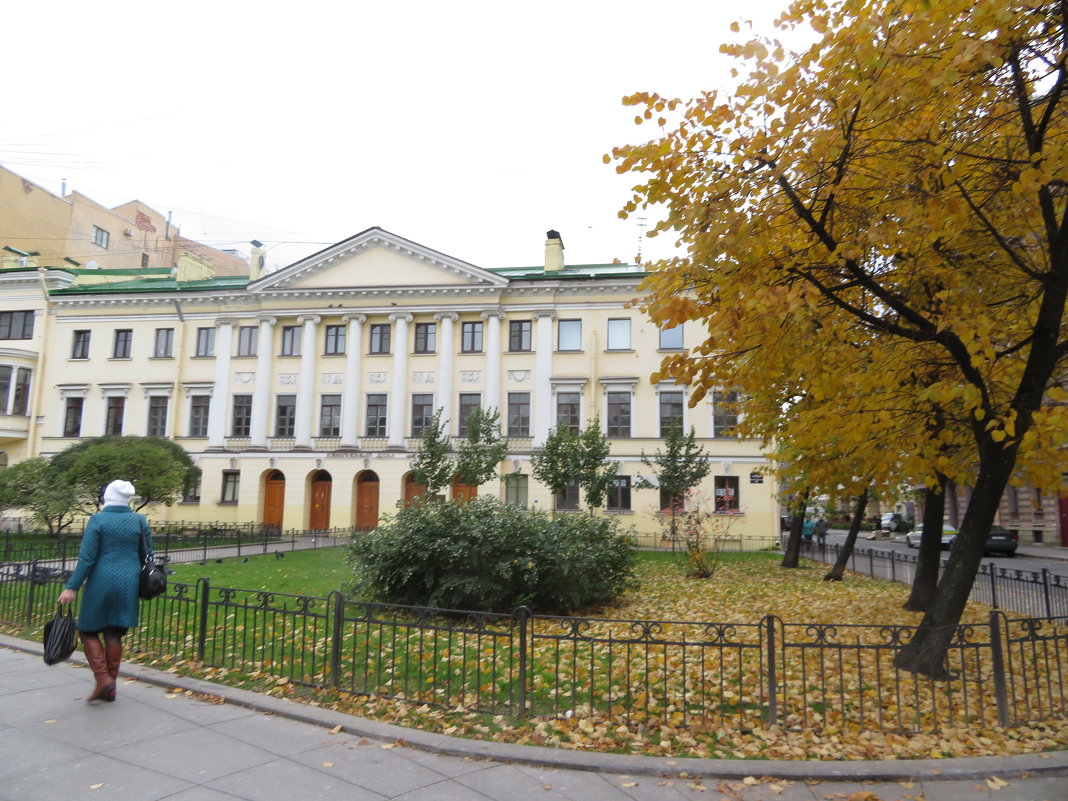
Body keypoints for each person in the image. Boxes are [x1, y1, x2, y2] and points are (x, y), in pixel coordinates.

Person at [58, 480, 152, 703]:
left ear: (107, 497)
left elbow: (87, 558)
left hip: (101, 581)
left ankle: (103, 679)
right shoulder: (139, 521)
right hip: (128, 582)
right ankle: (110, 683)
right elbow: (148, 556)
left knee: (88, 631)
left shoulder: (98, 520)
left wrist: (71, 587)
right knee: (113, 633)